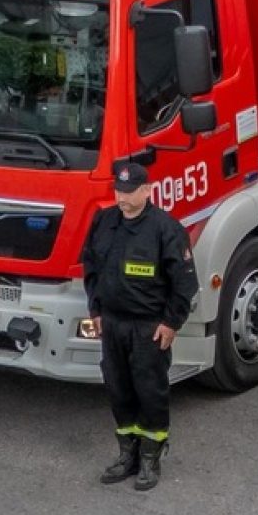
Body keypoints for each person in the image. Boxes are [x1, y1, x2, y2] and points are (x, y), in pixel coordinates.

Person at [80, 161, 199, 491]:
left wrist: (171, 322)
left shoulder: (166, 229)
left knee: (150, 391)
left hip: (148, 328)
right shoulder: (104, 221)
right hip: (113, 324)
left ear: (147, 190)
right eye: (118, 191)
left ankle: (150, 457)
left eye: (130, 192)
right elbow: (91, 266)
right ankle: (127, 455)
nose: (122, 198)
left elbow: (185, 283)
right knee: (118, 389)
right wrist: (96, 309)